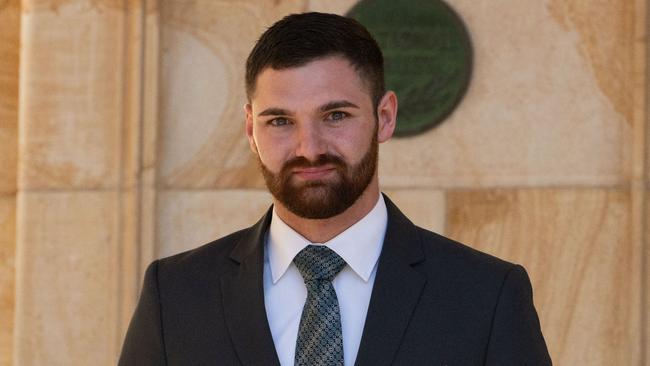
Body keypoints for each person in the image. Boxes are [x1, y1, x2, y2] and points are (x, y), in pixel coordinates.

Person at [119, 12, 551, 366]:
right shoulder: (175, 296)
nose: (309, 149)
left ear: (385, 117)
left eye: (336, 116)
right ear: (251, 130)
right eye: (281, 121)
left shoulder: (486, 296)